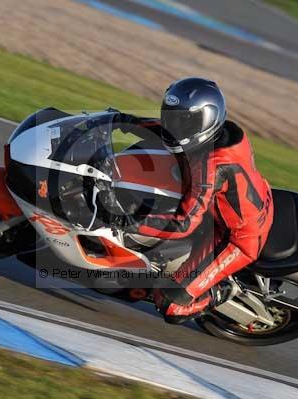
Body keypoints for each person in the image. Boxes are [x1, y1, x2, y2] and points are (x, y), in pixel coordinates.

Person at [117, 77, 274, 324]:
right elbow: (169, 131)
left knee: (169, 305)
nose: (175, 126)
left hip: (235, 239)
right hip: (227, 210)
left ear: (207, 121)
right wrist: (127, 122)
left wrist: (127, 223)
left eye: (183, 121)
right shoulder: (221, 133)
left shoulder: (214, 168)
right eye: (172, 117)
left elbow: (183, 225)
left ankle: (220, 293)